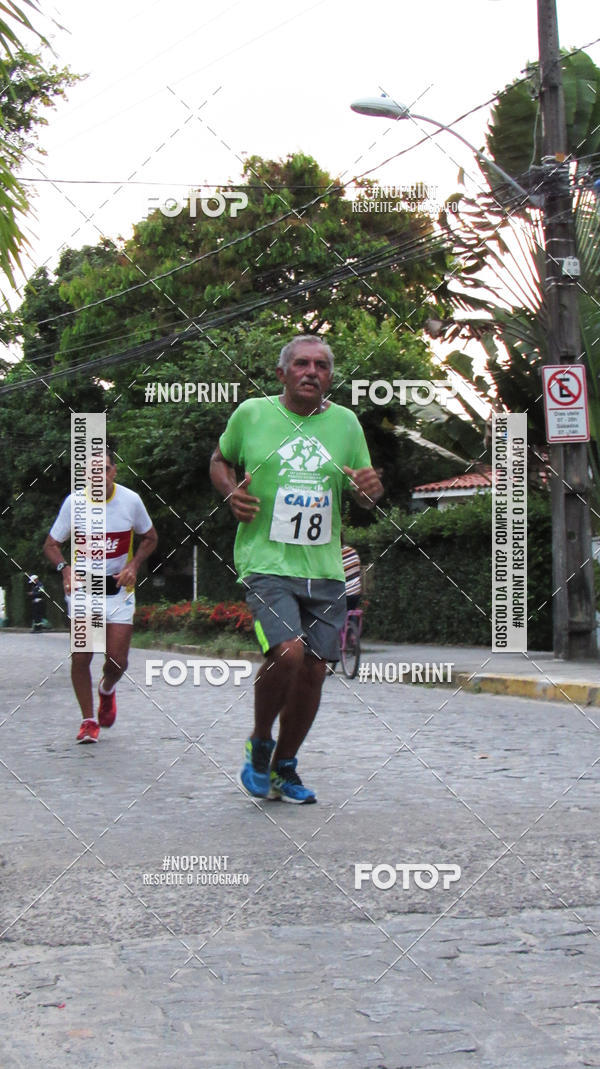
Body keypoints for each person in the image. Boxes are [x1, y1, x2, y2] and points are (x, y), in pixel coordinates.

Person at [210, 335, 383, 803]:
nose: (312, 371)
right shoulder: (252, 414)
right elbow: (219, 459)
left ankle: (286, 765)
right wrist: (230, 492)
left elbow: (365, 494)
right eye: (302, 364)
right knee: (286, 653)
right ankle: (260, 742)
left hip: (324, 568)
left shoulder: (346, 424)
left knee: (313, 671)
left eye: (322, 365)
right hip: (266, 562)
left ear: (330, 376)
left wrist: (372, 488)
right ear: (282, 373)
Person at [43, 448, 158, 743]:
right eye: (92, 471)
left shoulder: (131, 501)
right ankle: (88, 720)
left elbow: (150, 537)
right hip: (83, 590)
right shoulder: (74, 503)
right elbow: (51, 544)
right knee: (82, 655)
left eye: (104, 469)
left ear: (113, 471)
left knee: (117, 660)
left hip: (118, 590)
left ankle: (107, 689)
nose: (99, 476)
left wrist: (133, 565)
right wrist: (65, 569)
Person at [341, 534, 362, 611]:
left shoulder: (334, 554)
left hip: (343, 594)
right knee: (351, 614)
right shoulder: (352, 551)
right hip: (356, 591)